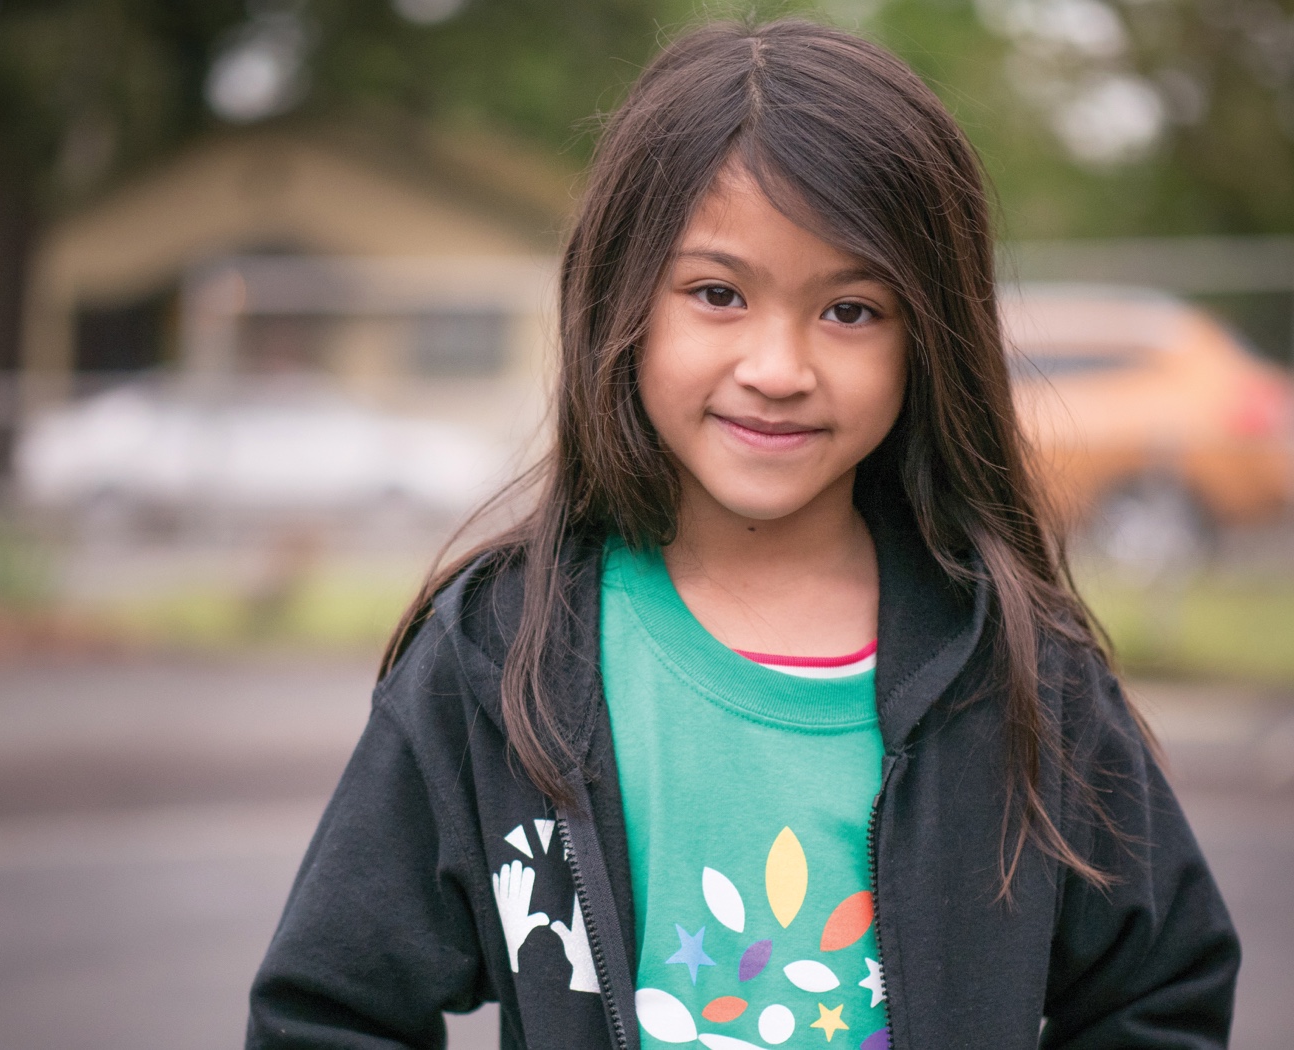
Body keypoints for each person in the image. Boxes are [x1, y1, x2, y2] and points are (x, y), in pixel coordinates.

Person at [247, 18, 1239, 1050]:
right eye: (717, 294)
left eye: (850, 309)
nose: (778, 365)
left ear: (927, 339)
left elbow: (1158, 991)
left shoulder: (1017, 668)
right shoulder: (495, 657)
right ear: (619, 302)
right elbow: (330, 1011)